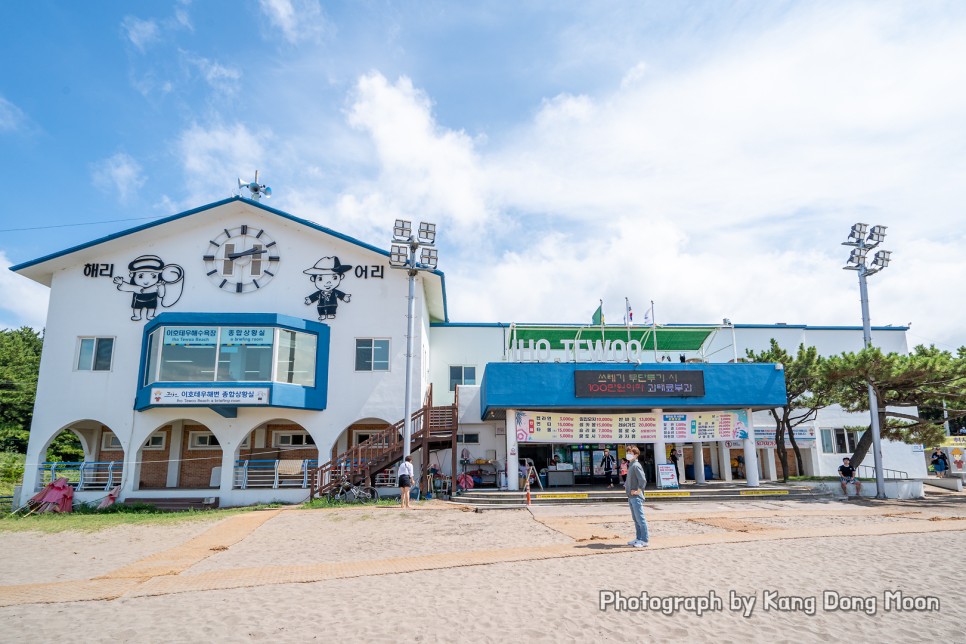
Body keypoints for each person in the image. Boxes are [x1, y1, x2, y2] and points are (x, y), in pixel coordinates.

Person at [624, 446, 649, 548]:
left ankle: (644, 540)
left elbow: (642, 480)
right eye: (628, 452)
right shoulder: (631, 465)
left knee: (640, 519)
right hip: (631, 496)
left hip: (636, 497)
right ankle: (638, 538)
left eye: (630, 453)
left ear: (636, 455)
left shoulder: (636, 465)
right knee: (636, 519)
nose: (628, 454)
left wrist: (638, 491)